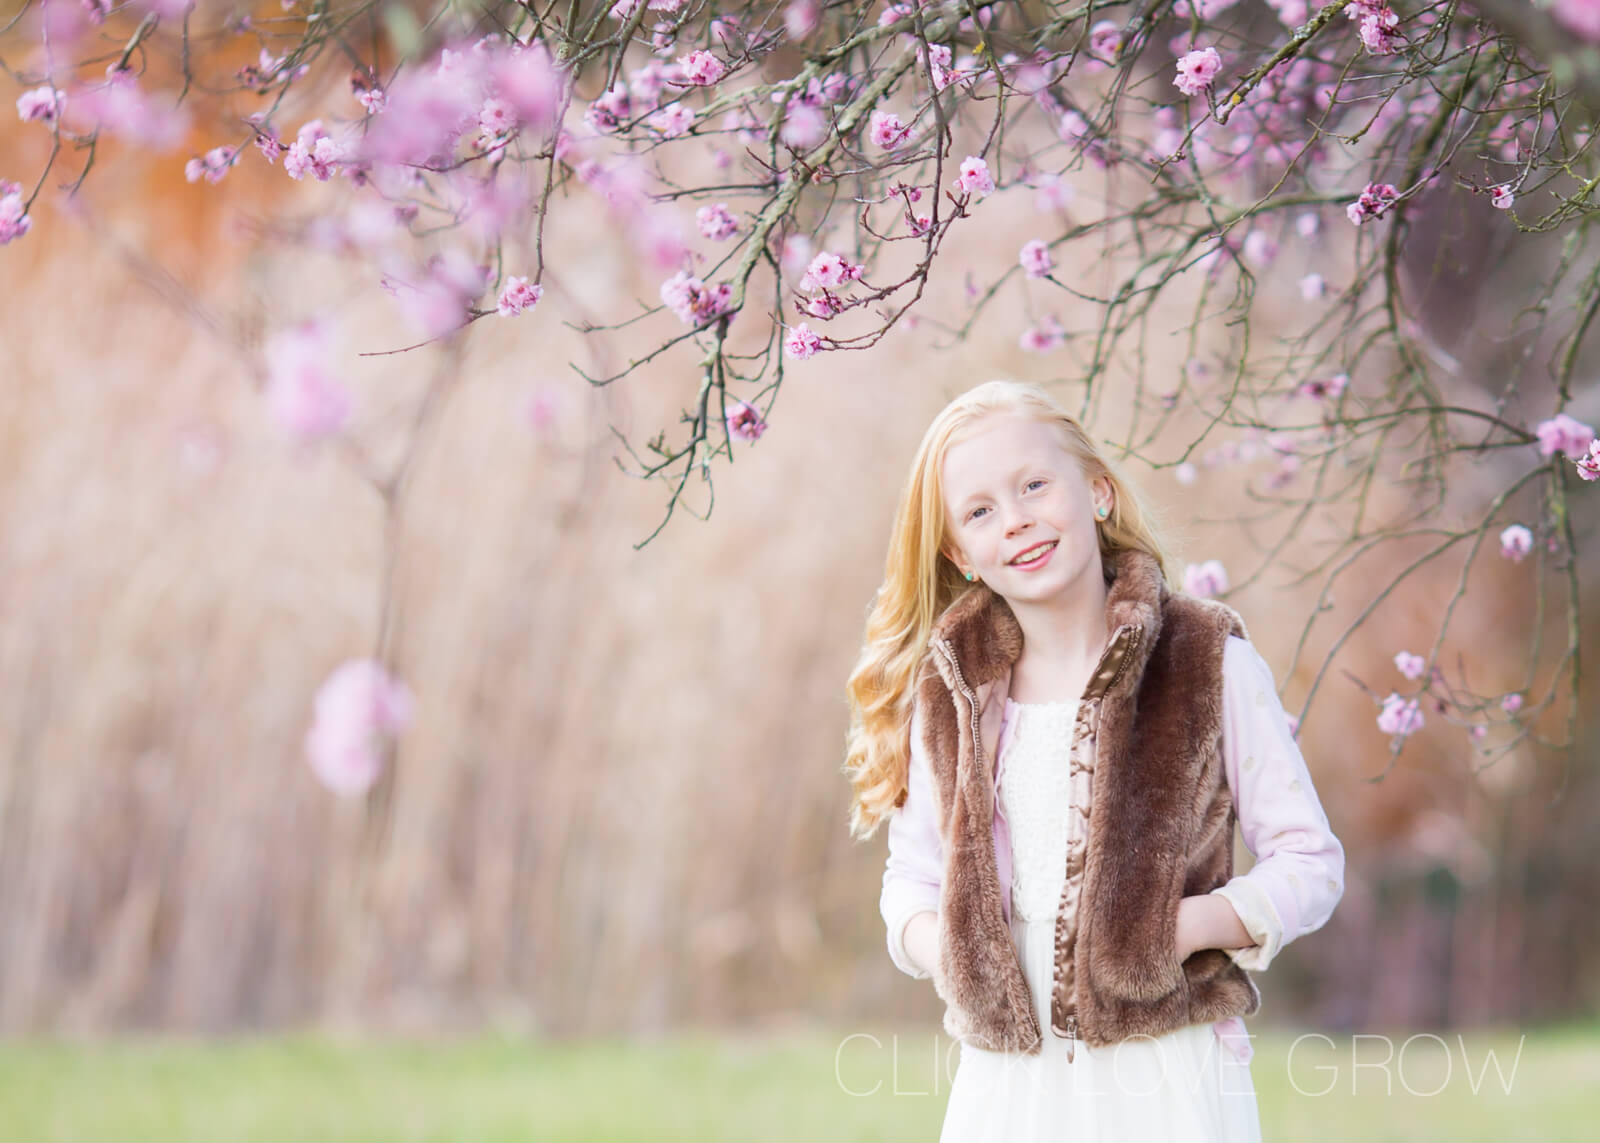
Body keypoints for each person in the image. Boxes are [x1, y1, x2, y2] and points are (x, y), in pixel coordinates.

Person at [843, 380, 1345, 1141]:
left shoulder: (1207, 661)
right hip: (1009, 1082)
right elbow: (909, 883)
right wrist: (956, 951)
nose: (1016, 521)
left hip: (1164, 1071)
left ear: (1098, 492)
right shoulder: (949, 694)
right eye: (980, 511)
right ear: (961, 554)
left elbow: (1310, 860)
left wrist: (1178, 928)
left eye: (1034, 485)